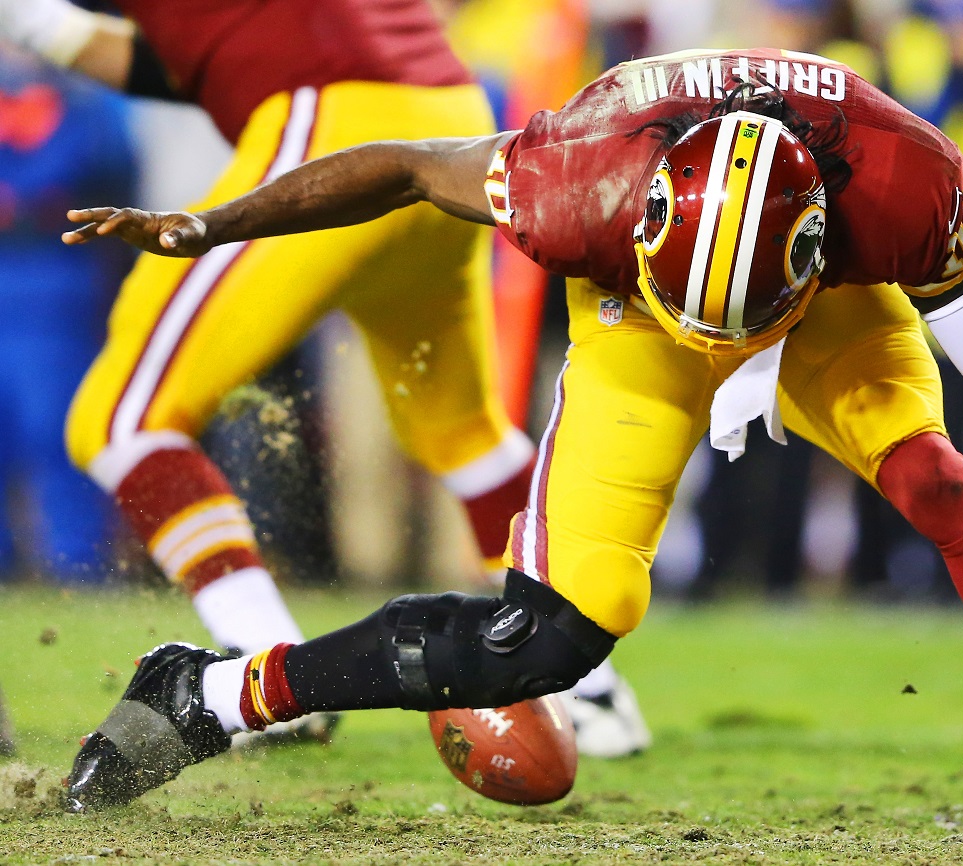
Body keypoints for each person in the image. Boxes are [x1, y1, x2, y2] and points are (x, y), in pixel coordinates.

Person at [60, 48, 963, 842]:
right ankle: (208, 691)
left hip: (825, 306)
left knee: (938, 479)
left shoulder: (902, 184)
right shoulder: (577, 175)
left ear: (821, 232)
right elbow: (405, 168)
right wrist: (211, 222)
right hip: (638, 313)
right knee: (535, 644)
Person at [0, 0, 647, 753]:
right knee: (460, 429)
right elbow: (194, 58)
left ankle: (261, 666)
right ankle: (591, 689)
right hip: (446, 121)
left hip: (333, 120)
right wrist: (40, 24)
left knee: (120, 418)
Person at [0, 45, 134, 585]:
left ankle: (79, 567)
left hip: (55, 278)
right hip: (20, 272)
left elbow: (114, 173)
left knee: (57, 429)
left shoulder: (83, 103)